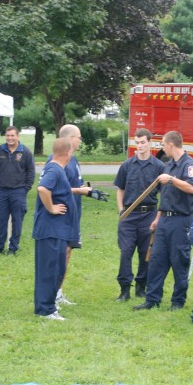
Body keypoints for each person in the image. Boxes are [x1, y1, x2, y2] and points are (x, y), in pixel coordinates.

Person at [134, 131, 193, 311]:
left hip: (181, 220)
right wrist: (157, 219)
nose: (162, 148)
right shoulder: (168, 165)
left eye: (163, 144)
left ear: (171, 144)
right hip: (164, 220)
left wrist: (172, 179)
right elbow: (165, 197)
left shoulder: (189, 165)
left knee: (179, 260)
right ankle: (152, 299)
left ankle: (178, 301)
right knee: (156, 259)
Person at [53, 124, 108, 306]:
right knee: (60, 254)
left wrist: (88, 190)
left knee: (68, 253)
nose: (80, 140)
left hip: (74, 215)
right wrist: (83, 191)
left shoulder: (74, 160)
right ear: (69, 138)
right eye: (78, 137)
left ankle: (59, 292)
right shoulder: (56, 161)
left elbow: (74, 185)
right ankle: (51, 293)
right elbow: (55, 188)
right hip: (62, 215)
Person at [114, 128, 165, 301]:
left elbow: (165, 195)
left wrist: (158, 218)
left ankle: (141, 286)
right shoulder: (127, 165)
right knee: (126, 251)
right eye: (137, 142)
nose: (140, 146)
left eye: (143, 142)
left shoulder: (159, 167)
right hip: (128, 216)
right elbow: (120, 190)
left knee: (146, 254)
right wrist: (121, 210)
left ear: (150, 142)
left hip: (148, 215)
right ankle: (124, 289)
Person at [33, 138, 79, 321]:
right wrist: (51, 207)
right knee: (50, 269)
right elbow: (43, 189)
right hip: (51, 230)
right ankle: (46, 309)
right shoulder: (54, 169)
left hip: (57, 230)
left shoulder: (55, 168)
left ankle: (46, 306)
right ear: (68, 152)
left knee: (55, 268)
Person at [0, 126, 36, 255]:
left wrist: (25, 189)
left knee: (17, 221)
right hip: (1, 191)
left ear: (18, 136)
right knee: (0, 220)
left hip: (18, 192)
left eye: (12, 135)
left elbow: (31, 172)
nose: (10, 138)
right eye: (7, 135)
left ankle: (13, 248)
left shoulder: (25, 152)